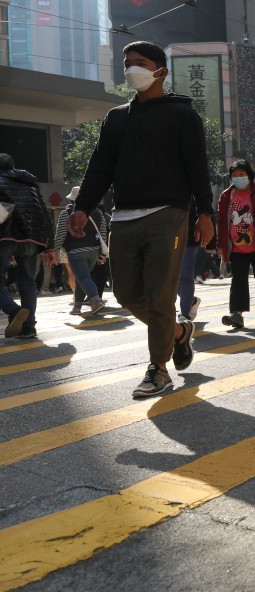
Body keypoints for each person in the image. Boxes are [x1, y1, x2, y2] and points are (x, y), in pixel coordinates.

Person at [68, 41, 214, 397]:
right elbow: (99, 167)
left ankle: (158, 370)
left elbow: (197, 168)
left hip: (169, 213)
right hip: (125, 215)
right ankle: (178, 333)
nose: (133, 69)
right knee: (127, 293)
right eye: (128, 63)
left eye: (141, 63)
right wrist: (83, 206)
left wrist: (206, 213)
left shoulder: (183, 115)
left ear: (160, 70)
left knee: (160, 294)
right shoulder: (117, 117)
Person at [0, 154, 56, 338]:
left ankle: (14, 310)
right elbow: (45, 215)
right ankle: (29, 326)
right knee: (28, 282)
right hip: (32, 239)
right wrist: (50, 247)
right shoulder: (31, 185)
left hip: (5, 237)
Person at [217, 159, 255, 329]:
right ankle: (237, 314)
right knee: (238, 280)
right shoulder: (226, 196)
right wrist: (221, 245)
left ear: (249, 175)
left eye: (242, 175)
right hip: (236, 247)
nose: (238, 178)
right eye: (234, 176)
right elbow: (221, 221)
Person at [53, 186, 108, 316]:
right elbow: (103, 234)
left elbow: (60, 234)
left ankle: (95, 300)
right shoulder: (97, 213)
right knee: (82, 278)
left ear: (72, 200)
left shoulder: (66, 213)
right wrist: (102, 253)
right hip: (94, 251)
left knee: (82, 277)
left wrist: (54, 251)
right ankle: (77, 307)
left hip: (75, 251)